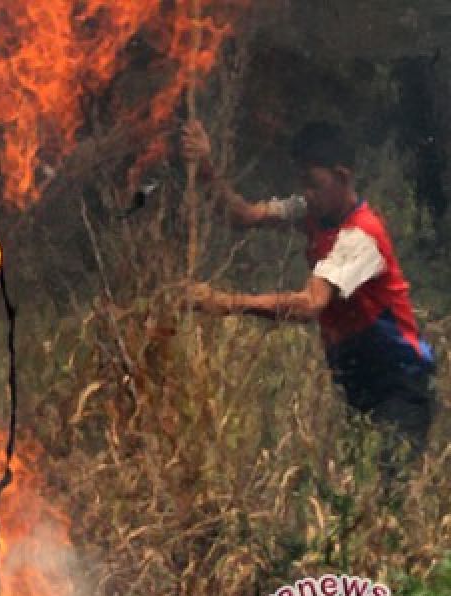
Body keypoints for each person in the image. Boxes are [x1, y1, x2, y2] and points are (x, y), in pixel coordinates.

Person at [182, 119, 437, 488]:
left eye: (314, 184)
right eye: (302, 183)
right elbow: (242, 215)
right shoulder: (312, 210)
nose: (306, 194)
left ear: (342, 175)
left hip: (399, 384)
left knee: (386, 497)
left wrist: (224, 302)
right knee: (358, 491)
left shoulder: (361, 236)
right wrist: (205, 167)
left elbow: (309, 304)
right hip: (358, 381)